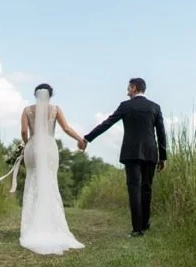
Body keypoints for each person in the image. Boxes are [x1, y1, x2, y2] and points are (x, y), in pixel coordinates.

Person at [81, 78, 167, 237]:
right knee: (147, 188)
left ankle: (137, 229)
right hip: (150, 153)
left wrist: (88, 138)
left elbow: (108, 123)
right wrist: (163, 157)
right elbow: (161, 134)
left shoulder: (126, 106)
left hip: (131, 152)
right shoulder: (155, 107)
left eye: (128, 87)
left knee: (134, 189)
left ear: (134, 88)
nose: (127, 90)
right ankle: (145, 223)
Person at [18, 83, 85, 255]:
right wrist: (80, 139)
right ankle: (51, 223)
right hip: (48, 147)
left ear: (35, 94)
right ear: (50, 95)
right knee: (49, 181)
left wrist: (28, 145)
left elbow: (24, 132)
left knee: (33, 180)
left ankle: (32, 225)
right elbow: (66, 128)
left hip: (33, 147)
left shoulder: (27, 110)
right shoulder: (55, 109)